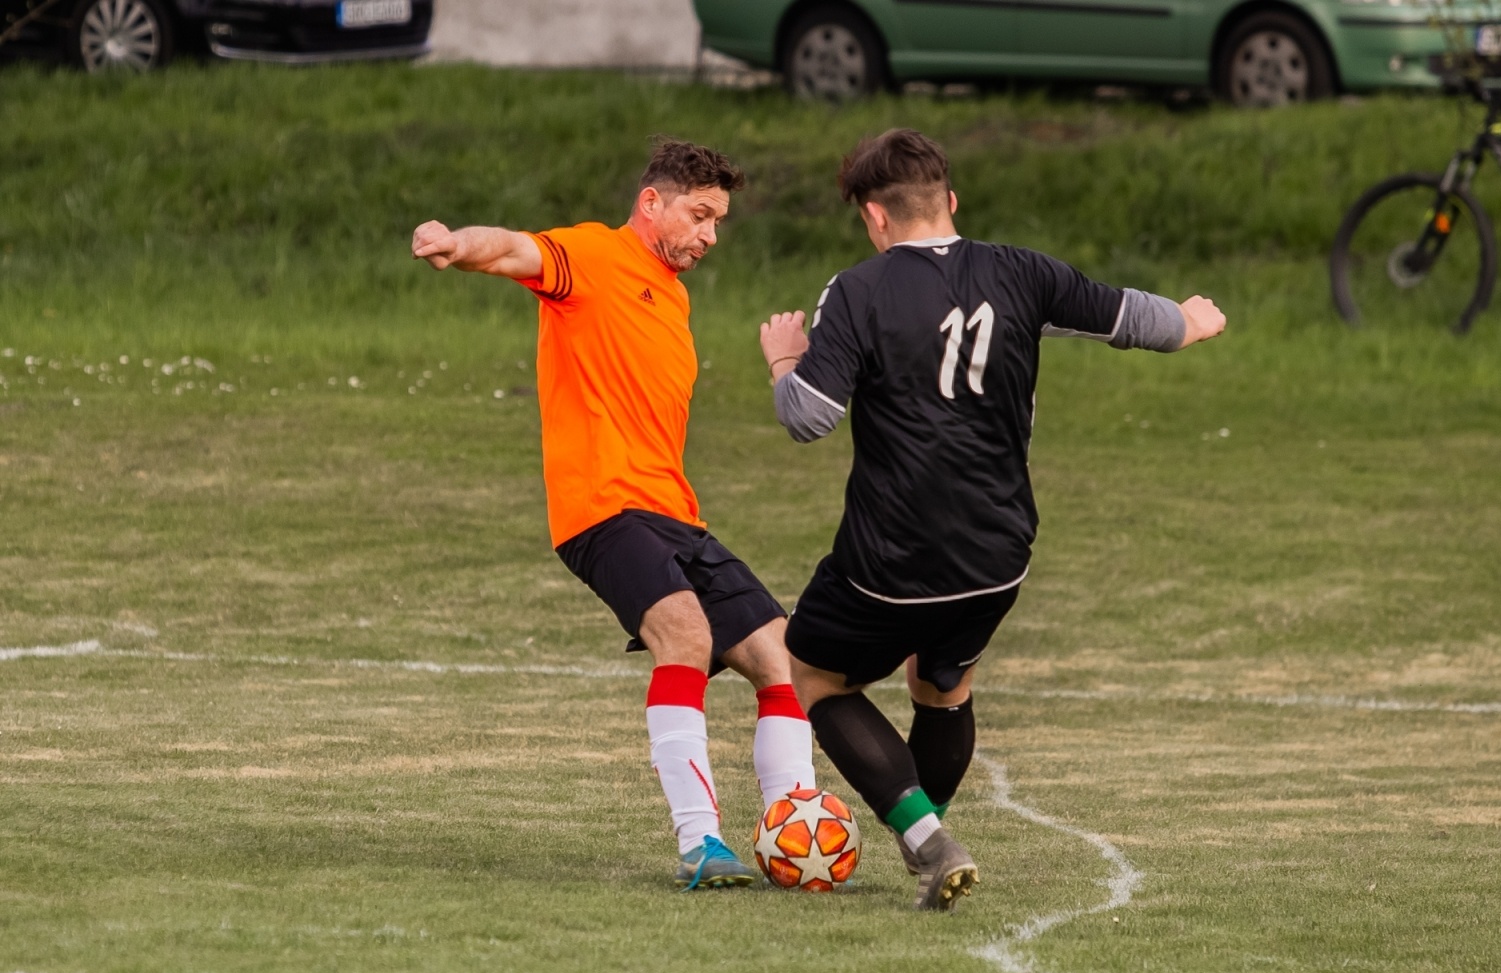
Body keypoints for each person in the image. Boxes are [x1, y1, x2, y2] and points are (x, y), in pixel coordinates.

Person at [758, 128, 1226, 911]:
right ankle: (928, 838)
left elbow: (808, 416)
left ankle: (926, 838)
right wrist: (1193, 319)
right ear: (951, 202)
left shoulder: (858, 289)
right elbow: (1147, 323)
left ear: (874, 217)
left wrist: (782, 355)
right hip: (998, 552)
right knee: (941, 688)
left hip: (890, 559)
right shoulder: (1024, 271)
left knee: (814, 673)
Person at [412, 139, 815, 891]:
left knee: (779, 656)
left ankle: (796, 826)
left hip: (674, 511)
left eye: (719, 221)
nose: (710, 235)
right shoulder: (593, 255)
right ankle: (702, 844)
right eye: (700, 215)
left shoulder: (675, 294)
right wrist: (456, 243)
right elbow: (513, 252)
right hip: (601, 508)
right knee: (685, 637)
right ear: (651, 203)